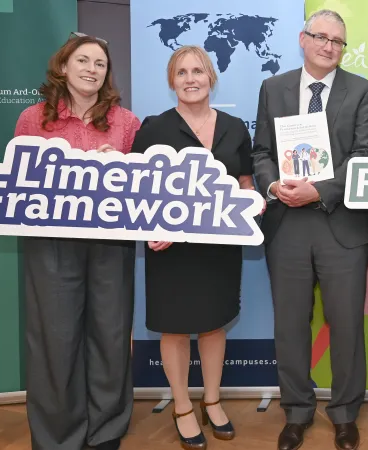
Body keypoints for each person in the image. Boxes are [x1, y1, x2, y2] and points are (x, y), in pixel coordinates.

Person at [0, 33, 139, 450]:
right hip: (50, 246)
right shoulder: (32, 119)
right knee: (55, 341)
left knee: (111, 338)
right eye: (84, 61)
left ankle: (106, 432)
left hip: (112, 247)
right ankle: (58, 437)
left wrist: (124, 170)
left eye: (100, 64)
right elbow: (12, 183)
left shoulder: (127, 123)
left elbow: (141, 191)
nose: (92, 69)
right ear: (62, 66)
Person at [250, 9, 368, 450]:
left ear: (344, 48)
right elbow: (262, 149)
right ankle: (297, 412)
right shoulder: (273, 88)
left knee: (346, 326)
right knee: (290, 326)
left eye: (338, 41)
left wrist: (317, 190)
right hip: (286, 225)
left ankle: (345, 415)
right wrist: (272, 184)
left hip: (340, 224)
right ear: (302, 39)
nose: (329, 46)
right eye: (320, 37)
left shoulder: (362, 91)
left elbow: (364, 156)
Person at [129, 45, 262, 450]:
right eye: (181, 72)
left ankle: (213, 399)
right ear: (172, 81)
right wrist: (156, 224)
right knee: (175, 326)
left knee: (213, 322)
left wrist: (250, 200)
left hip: (219, 247)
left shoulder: (236, 127)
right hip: (171, 250)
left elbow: (244, 178)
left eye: (198, 71)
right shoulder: (154, 128)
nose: (190, 79)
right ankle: (183, 406)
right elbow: (138, 185)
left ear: (211, 78)